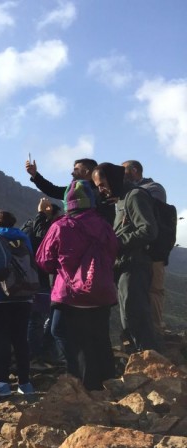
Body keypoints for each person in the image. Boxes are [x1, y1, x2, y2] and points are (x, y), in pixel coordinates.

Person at [36, 181, 119, 390]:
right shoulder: (104, 225)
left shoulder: (60, 226)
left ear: (67, 202)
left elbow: (44, 261)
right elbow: (113, 252)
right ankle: (109, 385)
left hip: (70, 295)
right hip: (101, 292)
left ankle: (80, 381)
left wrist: (65, 268)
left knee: (62, 333)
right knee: (99, 337)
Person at [91, 162, 161, 352]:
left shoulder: (135, 196)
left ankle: (148, 358)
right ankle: (137, 359)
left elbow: (148, 230)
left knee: (135, 314)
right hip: (124, 265)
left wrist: (116, 242)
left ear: (112, 178)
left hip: (135, 264)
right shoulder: (121, 200)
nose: (101, 189)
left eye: (102, 184)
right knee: (128, 315)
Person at [0, 210, 35, 396]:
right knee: (21, 340)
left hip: (0, 297)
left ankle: (2, 384)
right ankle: (25, 384)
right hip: (25, 295)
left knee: (1, 339)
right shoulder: (23, 237)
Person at [122, 160, 168, 336]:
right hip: (137, 250)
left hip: (155, 249)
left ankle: (156, 329)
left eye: (124, 170)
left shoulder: (154, 188)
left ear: (134, 170)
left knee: (154, 289)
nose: (121, 173)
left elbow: (148, 210)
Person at [21, 198, 64, 366]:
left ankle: (40, 355)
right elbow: (42, 244)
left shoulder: (25, 229)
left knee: (39, 320)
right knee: (37, 320)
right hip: (39, 280)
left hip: (28, 280)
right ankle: (37, 356)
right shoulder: (38, 230)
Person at [26, 158, 114, 225]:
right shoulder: (72, 191)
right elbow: (53, 190)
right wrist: (35, 175)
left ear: (86, 172)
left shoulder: (104, 192)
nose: (72, 173)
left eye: (76, 170)